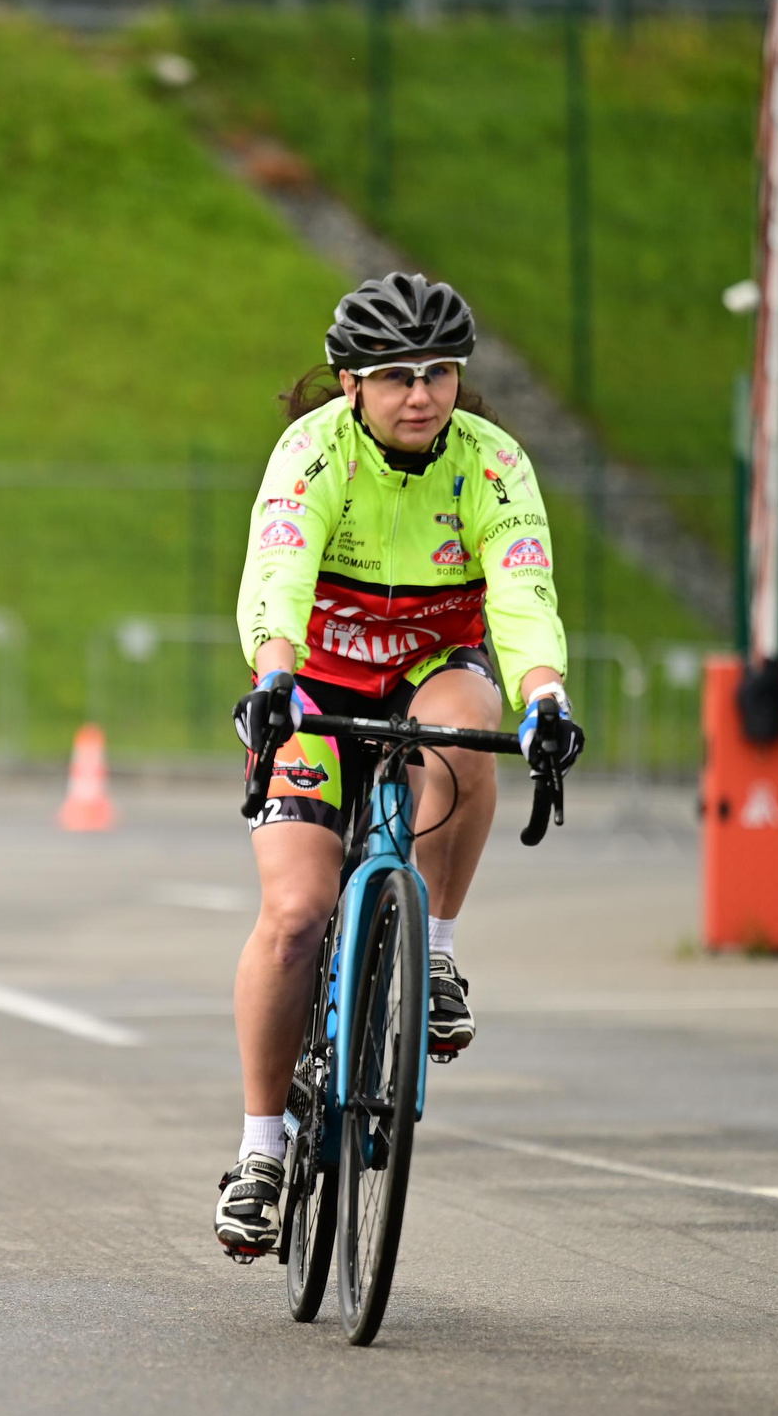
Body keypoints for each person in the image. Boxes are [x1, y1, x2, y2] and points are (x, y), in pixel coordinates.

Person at [214, 273, 585, 1263]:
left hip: (430, 668)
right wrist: (275, 677)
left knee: (467, 726)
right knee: (295, 917)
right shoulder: (312, 455)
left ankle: (437, 952)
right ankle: (259, 1152)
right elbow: (277, 575)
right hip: (316, 684)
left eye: (438, 373)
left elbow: (523, 594)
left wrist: (546, 694)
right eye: (395, 377)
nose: (420, 395)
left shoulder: (492, 464)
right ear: (351, 385)